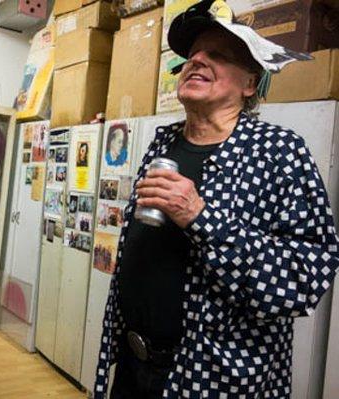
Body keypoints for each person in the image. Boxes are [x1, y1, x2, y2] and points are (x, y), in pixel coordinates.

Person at [94, 1, 339, 398]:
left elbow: (306, 277)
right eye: (192, 55)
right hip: (133, 362)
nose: (197, 61)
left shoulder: (279, 152)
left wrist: (200, 216)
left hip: (216, 378)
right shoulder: (165, 142)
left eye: (218, 55)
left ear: (249, 83)